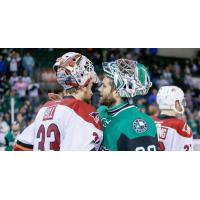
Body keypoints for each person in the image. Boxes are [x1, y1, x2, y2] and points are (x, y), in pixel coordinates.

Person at [14, 52, 103, 151]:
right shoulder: (85, 112)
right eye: (90, 84)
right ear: (82, 81)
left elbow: (20, 146)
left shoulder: (45, 108)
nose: (92, 91)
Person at [98, 59, 158, 151]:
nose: (99, 89)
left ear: (117, 92)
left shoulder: (140, 123)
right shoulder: (101, 111)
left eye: (104, 86)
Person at [153, 86, 193, 151]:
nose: (182, 104)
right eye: (181, 101)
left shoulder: (149, 120)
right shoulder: (180, 126)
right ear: (177, 103)